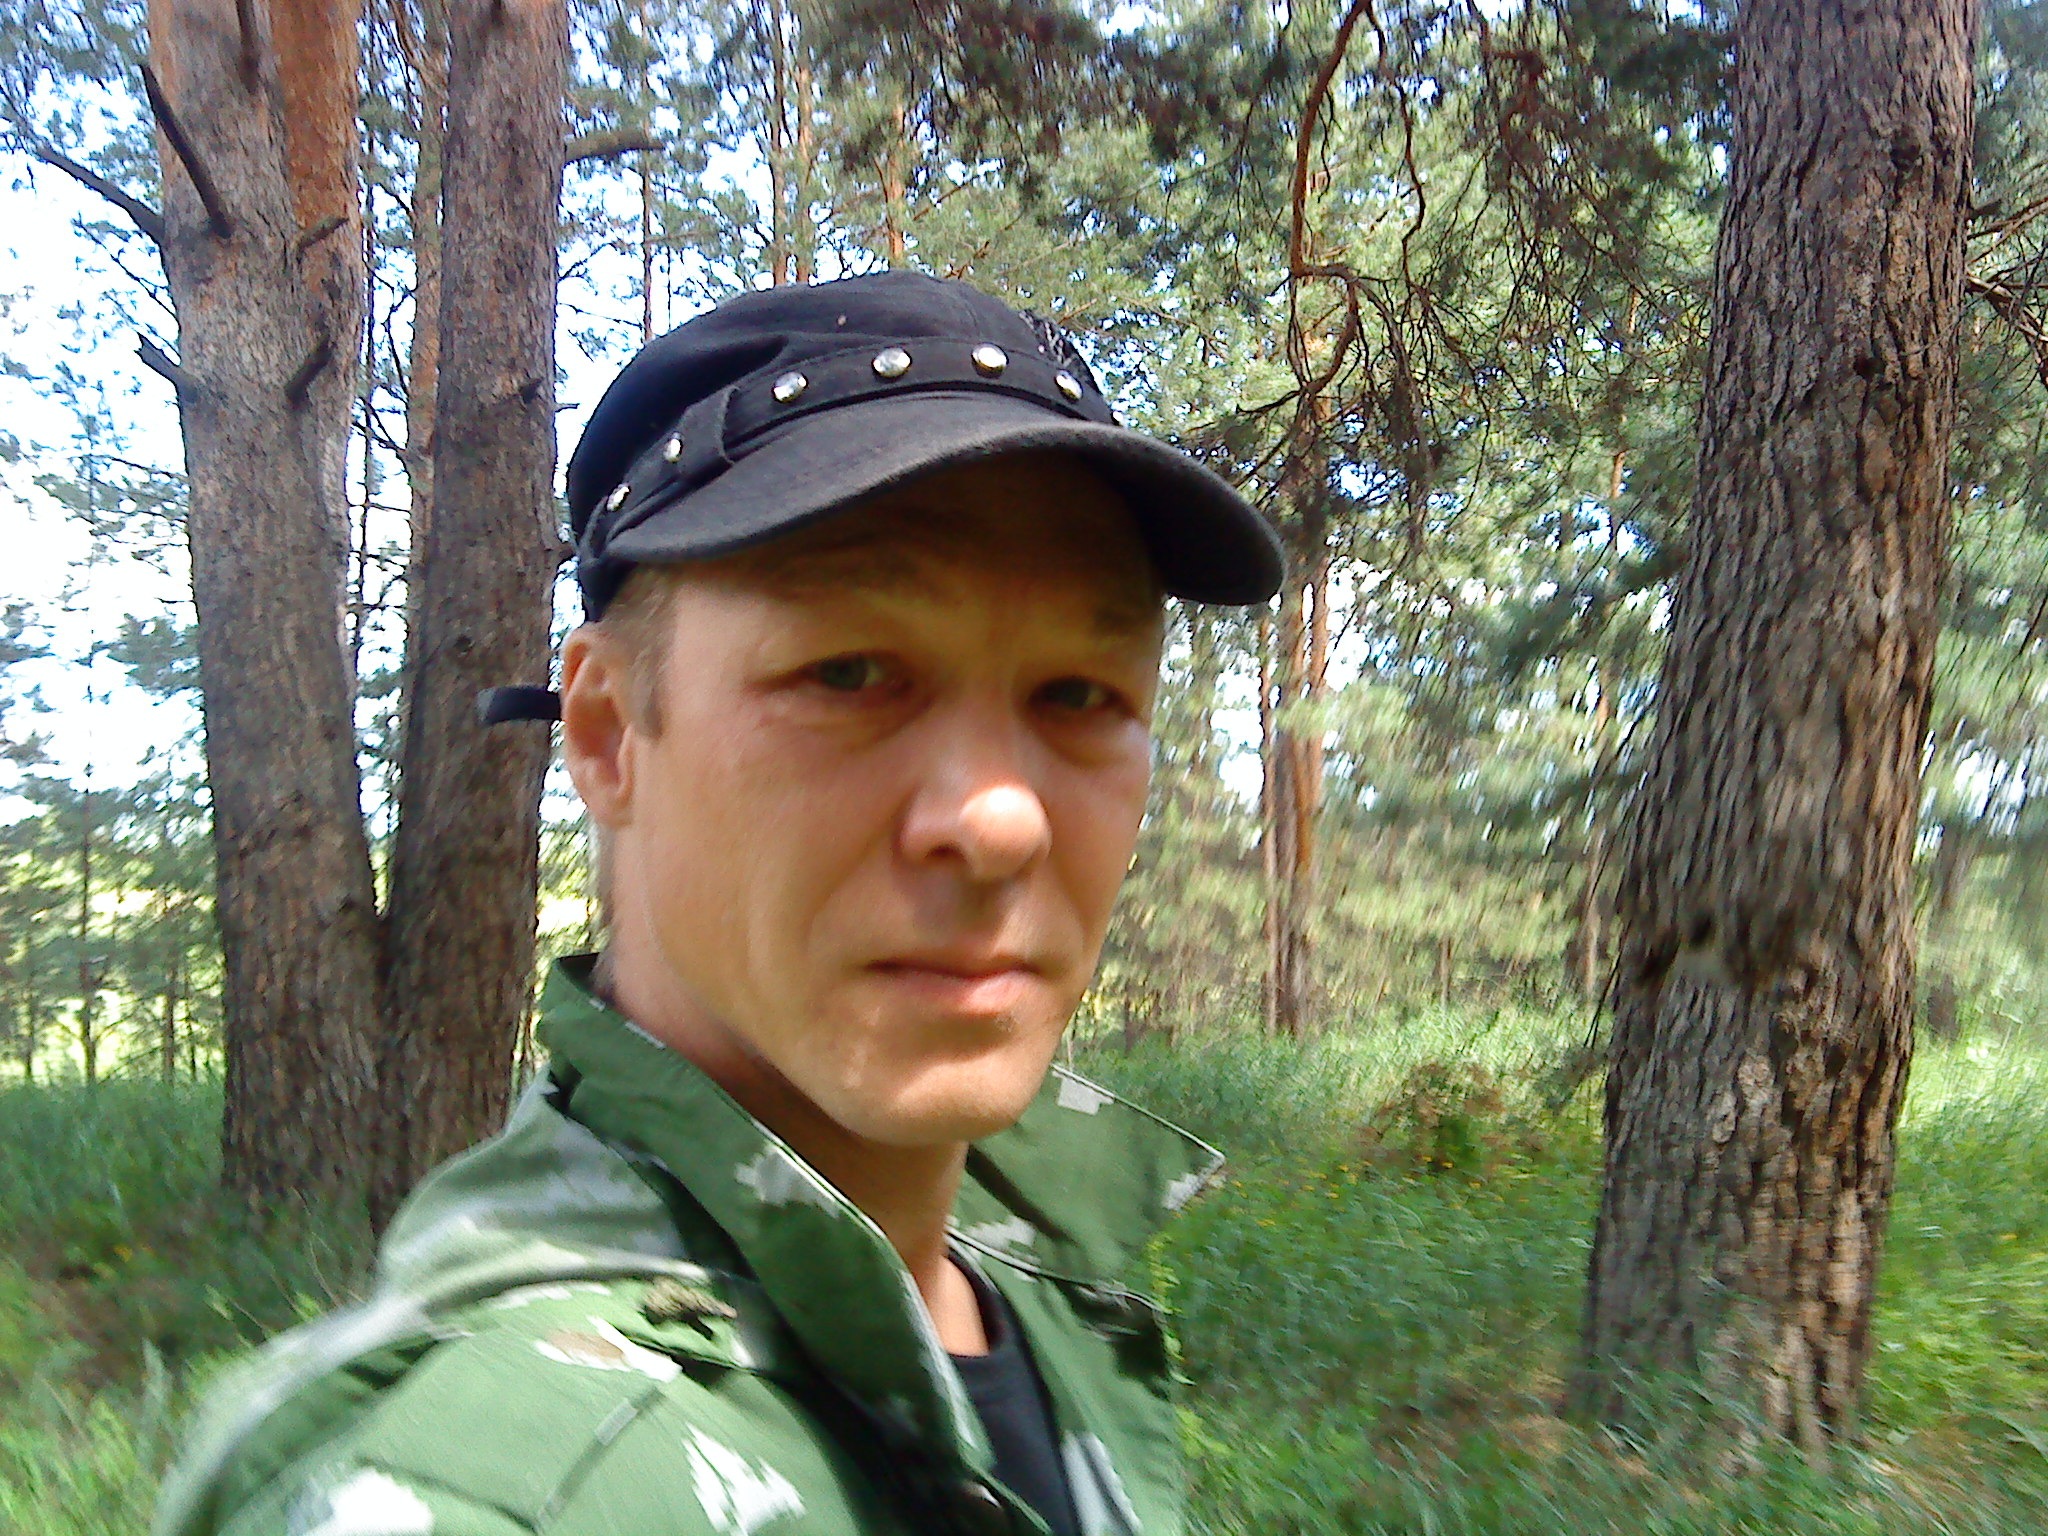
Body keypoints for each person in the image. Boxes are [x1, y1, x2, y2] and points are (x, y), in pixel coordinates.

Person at [155, 271, 1282, 1536]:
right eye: (850, 673)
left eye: (1079, 694)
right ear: (606, 733)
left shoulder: (1019, 1283)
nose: (1001, 821)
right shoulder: (485, 1490)